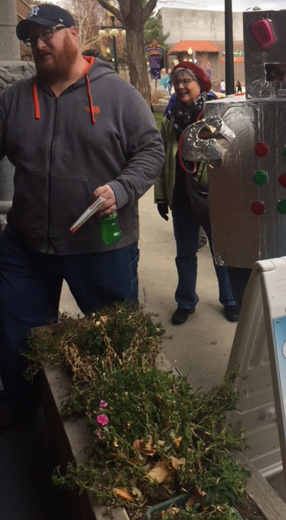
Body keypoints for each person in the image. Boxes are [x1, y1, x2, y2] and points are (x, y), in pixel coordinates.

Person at [0, 4, 165, 431]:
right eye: (30, 38)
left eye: (46, 34)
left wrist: (123, 188)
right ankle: (22, 403)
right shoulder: (14, 99)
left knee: (113, 341)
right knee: (17, 336)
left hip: (102, 247)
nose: (37, 44)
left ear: (73, 34)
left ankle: (119, 417)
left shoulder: (117, 93)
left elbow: (151, 150)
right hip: (26, 245)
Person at [154, 62, 238, 325]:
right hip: (180, 196)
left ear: (200, 83)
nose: (180, 86)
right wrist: (160, 196)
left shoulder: (213, 116)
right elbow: (161, 160)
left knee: (221, 251)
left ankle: (231, 300)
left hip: (212, 197)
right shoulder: (169, 120)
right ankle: (186, 302)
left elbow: (229, 152)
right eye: (176, 82)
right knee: (185, 253)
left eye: (186, 81)